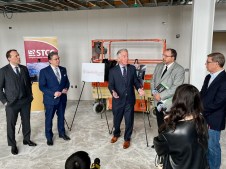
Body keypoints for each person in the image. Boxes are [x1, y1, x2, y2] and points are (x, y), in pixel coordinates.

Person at [153, 84, 209, 169]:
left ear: (177, 101)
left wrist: (168, 123)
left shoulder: (170, 132)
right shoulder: (201, 120)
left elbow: (159, 149)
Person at [0, 49, 37, 155]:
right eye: (16, 56)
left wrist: (30, 96)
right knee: (11, 124)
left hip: (25, 101)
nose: (18, 57)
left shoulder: (24, 68)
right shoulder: (3, 71)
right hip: (12, 103)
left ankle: (26, 139)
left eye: (18, 55)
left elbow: (28, 84)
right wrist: (5, 102)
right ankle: (13, 145)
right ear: (9, 58)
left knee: (26, 121)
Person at [108, 49, 145, 149]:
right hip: (118, 100)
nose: (126, 58)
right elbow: (110, 85)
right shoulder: (112, 71)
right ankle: (116, 134)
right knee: (117, 120)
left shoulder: (132, 68)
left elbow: (136, 81)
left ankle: (127, 138)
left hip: (129, 100)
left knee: (129, 121)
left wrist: (139, 89)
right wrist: (113, 92)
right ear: (118, 58)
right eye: (124, 56)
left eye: (127, 56)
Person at [200, 52, 226, 169]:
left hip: (214, 119)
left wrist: (201, 110)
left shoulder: (224, 79)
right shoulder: (208, 77)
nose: (205, 64)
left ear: (216, 63)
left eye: (208, 62)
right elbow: (202, 94)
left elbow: (219, 102)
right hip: (203, 117)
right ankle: (207, 166)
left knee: (212, 146)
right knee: (204, 144)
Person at [39, 51, 70, 146]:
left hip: (62, 99)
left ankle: (62, 133)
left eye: (58, 58)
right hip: (50, 100)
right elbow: (42, 87)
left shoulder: (63, 69)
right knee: (49, 118)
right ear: (50, 61)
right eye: (55, 59)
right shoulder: (44, 71)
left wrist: (66, 88)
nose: (58, 60)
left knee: (61, 116)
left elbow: (67, 82)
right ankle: (49, 137)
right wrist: (53, 93)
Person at [151, 48, 185, 130]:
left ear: (173, 57)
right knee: (160, 123)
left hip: (169, 103)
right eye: (163, 55)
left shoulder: (179, 69)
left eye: (166, 56)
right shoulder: (159, 66)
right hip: (157, 101)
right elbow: (153, 81)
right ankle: (161, 140)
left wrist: (161, 96)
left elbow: (176, 87)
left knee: (169, 125)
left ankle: (168, 142)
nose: (163, 57)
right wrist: (155, 93)